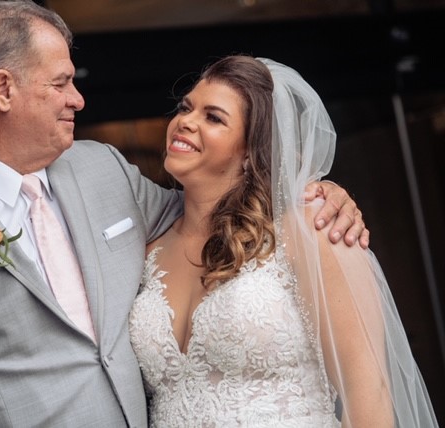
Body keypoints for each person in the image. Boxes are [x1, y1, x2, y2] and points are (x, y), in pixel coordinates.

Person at [0, 2, 367, 427]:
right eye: (61, 81)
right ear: (4, 90)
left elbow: (218, 207)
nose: (79, 98)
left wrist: (310, 194)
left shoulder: (102, 168)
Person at [128, 54, 438, 427]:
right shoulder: (150, 250)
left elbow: (368, 390)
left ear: (248, 151)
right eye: (185, 107)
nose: (185, 122)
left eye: (213, 117)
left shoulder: (311, 228)